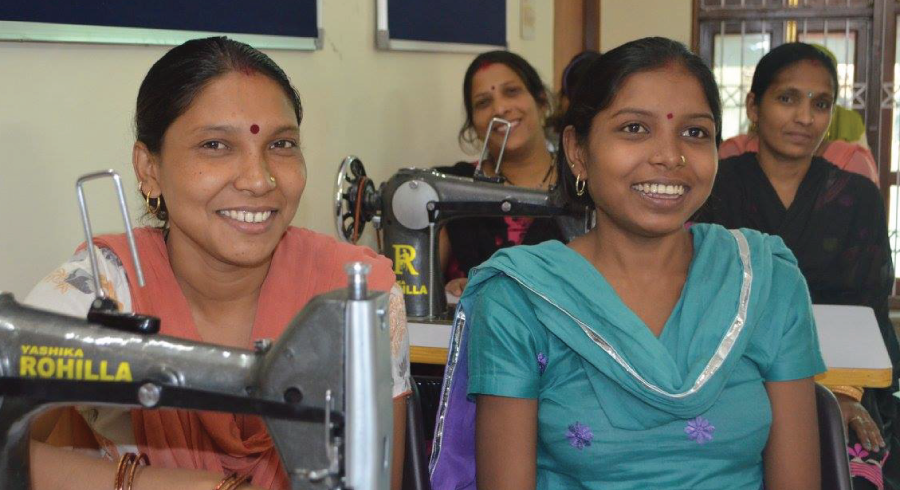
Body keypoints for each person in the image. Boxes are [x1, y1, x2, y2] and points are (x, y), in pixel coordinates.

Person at [430, 37, 824, 490]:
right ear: (578, 151)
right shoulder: (521, 301)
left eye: (695, 133)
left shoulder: (765, 279)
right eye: (635, 128)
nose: (669, 156)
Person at [24, 37, 411, 490]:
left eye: (282, 144)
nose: (258, 180)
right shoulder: (97, 291)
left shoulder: (356, 296)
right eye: (215, 145)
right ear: (149, 169)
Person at [694, 42, 900, 490]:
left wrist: (842, 395)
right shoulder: (714, 187)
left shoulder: (857, 197)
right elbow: (697, 298)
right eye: (787, 98)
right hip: (729, 378)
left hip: (842, 380)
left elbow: (867, 309)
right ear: (754, 105)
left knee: (854, 472)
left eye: (820, 103)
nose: (805, 117)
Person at [435, 51, 565, 297]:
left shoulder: (582, 183)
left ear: (541, 102)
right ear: (474, 125)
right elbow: (418, 295)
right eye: (483, 102)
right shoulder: (453, 190)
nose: (501, 108)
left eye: (512, 91)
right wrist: (449, 293)